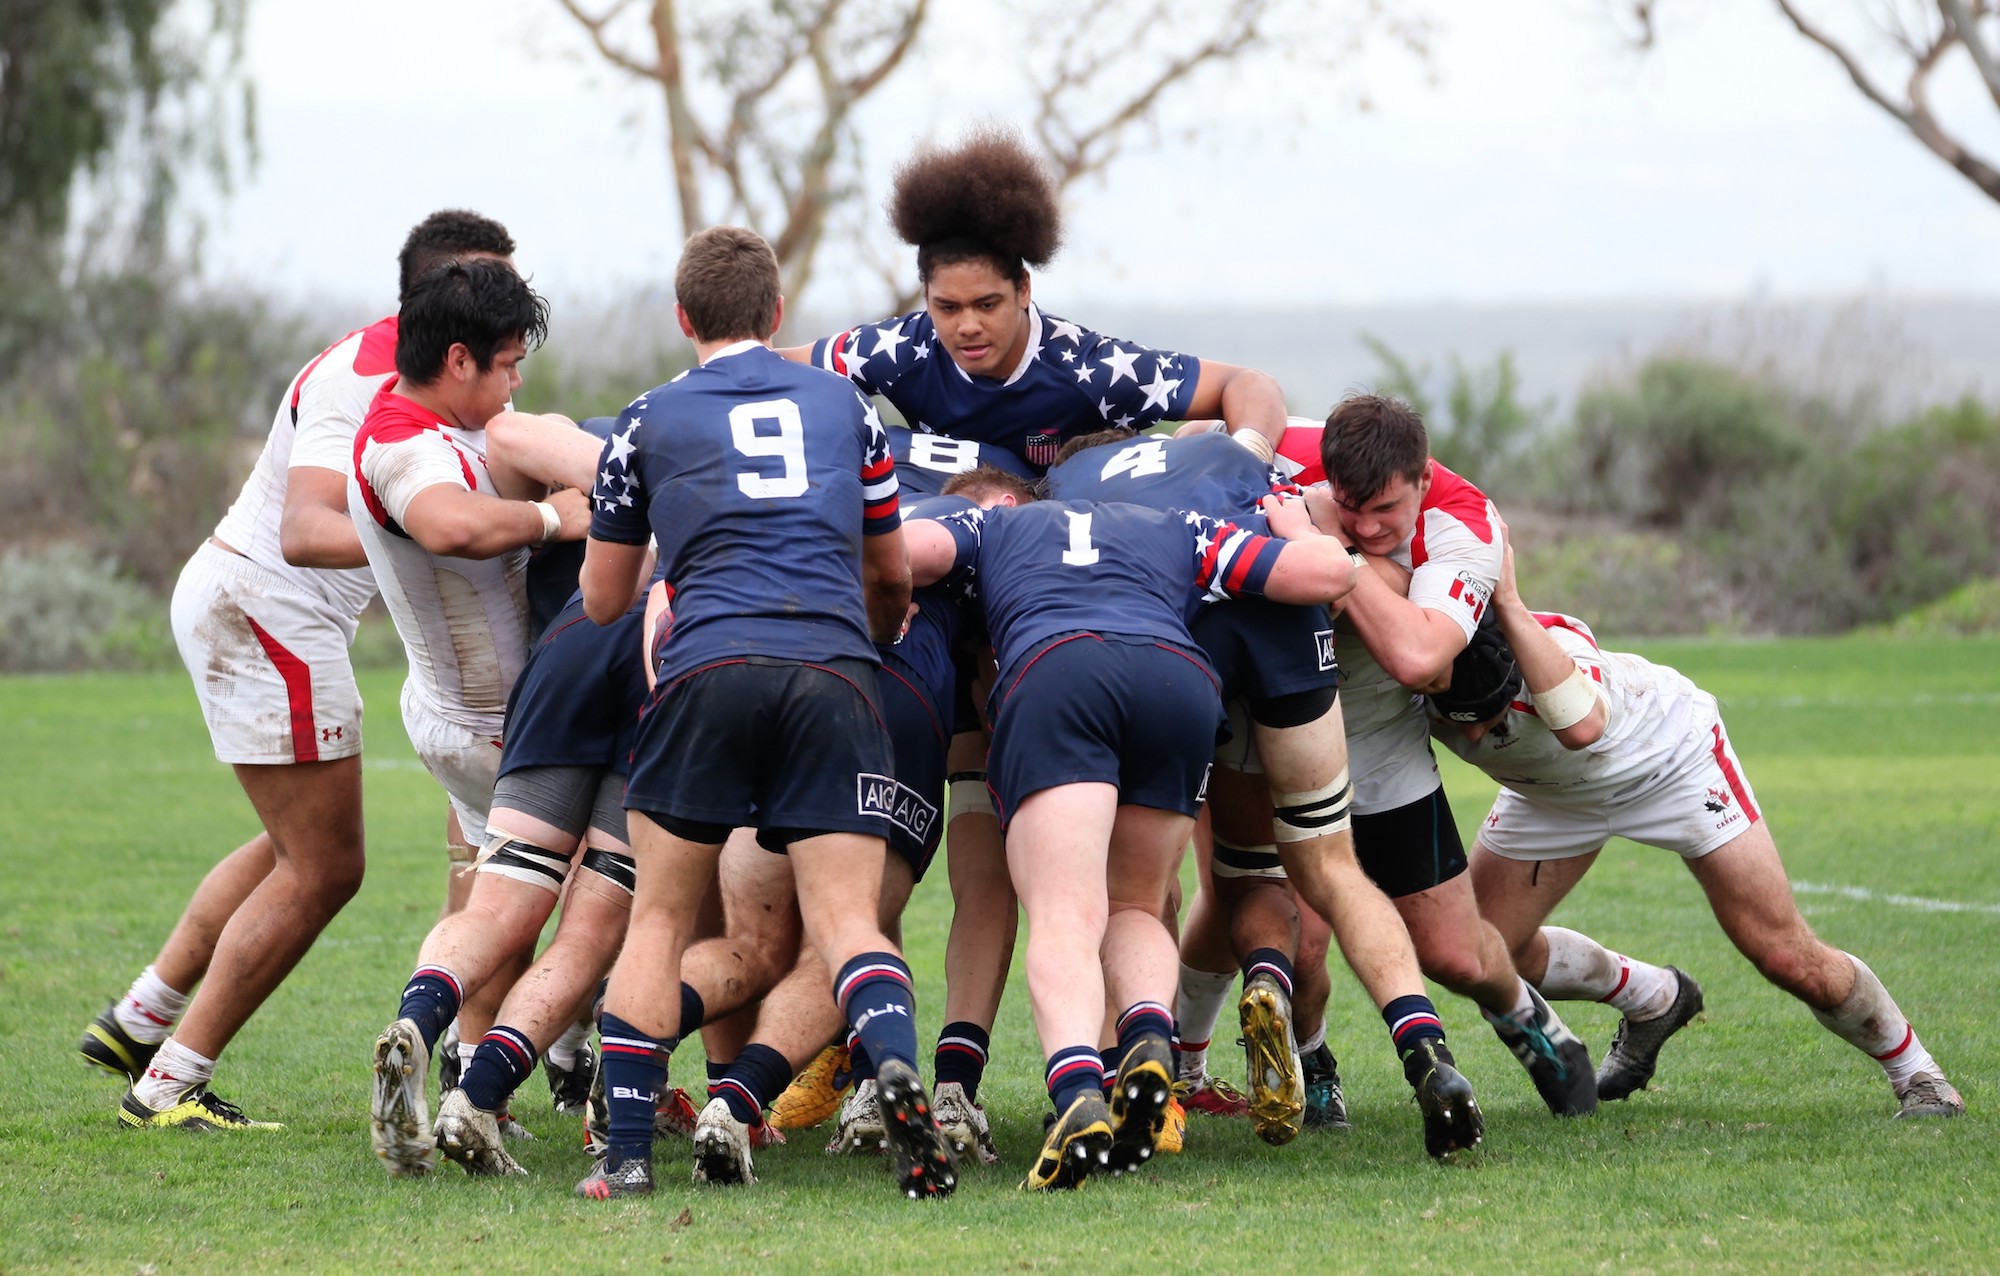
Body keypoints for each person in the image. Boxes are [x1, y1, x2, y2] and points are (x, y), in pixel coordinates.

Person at [904, 472, 1479, 1188]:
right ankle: (1150, 1037)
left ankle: (1079, 1094)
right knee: (1139, 903)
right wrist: (1301, 530)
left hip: (1059, 674)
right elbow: (1321, 572)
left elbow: (906, 548)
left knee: (1064, 912)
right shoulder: (1178, 525)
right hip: (1175, 681)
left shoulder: (994, 528)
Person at [82, 211, 517, 1131]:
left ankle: (143, 1019)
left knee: (298, 847)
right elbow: (305, 526)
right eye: (493, 290)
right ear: (443, 302)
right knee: (325, 868)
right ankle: (168, 1085)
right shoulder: (365, 377)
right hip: (264, 614)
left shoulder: (441, 373)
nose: (511, 311)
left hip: (254, 611)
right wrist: (430, 520)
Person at [573, 225, 956, 1201]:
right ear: (776, 317)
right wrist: (872, 630)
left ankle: (623, 1153)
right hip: (832, 670)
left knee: (657, 918)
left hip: (706, 667)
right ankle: (899, 1074)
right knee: (844, 921)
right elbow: (889, 570)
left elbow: (607, 600)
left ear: (682, 317)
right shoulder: (842, 404)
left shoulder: (647, 418)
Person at [1423, 533, 1965, 1121]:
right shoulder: (1417, 668)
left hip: (1670, 761)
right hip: (1551, 795)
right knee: (1477, 950)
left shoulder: (1557, 653)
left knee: (1783, 954)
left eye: (1488, 719)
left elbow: (1583, 727)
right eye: (1458, 721)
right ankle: (1654, 998)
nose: (1472, 737)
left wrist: (1506, 594)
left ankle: (1920, 1076)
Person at [1043, 426, 1478, 1157]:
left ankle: (1127, 1079)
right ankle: (1427, 1052)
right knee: (1332, 868)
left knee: (1137, 894)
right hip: (1281, 610)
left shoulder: (1064, 489)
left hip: (1171, 635)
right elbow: (1310, 523)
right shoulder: (1229, 447)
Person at [1297, 396, 1599, 1117]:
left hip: (1381, 743)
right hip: (1278, 733)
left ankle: (1529, 1020)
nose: (1369, 526)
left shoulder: (1466, 522)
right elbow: (1208, 427)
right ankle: (1309, 1068)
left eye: (1387, 512)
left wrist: (1332, 549)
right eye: (1350, 507)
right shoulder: (1291, 453)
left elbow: (1419, 656)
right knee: (1295, 941)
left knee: (1455, 955)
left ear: (1422, 480)